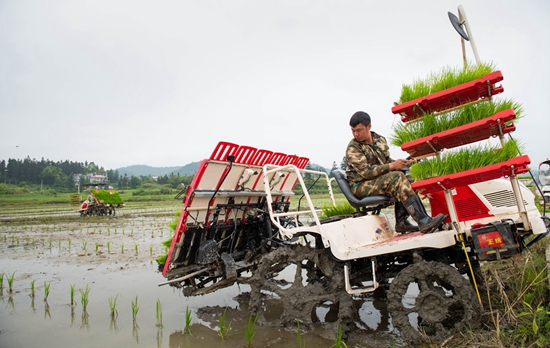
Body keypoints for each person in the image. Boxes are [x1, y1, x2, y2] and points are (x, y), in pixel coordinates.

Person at [344, 111, 447, 233]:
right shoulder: (353, 148)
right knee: (397, 178)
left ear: (369, 126)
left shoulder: (380, 140)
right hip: (360, 185)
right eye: (353, 130)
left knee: (411, 180)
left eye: (359, 130)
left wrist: (401, 163)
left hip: (378, 181)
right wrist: (392, 166)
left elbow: (386, 161)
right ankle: (424, 221)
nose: (356, 134)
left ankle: (401, 222)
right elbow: (366, 172)